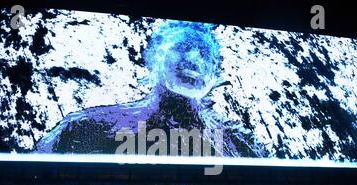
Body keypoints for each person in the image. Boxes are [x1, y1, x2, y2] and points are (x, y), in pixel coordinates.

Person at [35, 21, 267, 158]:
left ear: (217, 74)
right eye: (182, 48)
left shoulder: (238, 144)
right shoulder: (84, 128)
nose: (194, 59)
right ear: (153, 59)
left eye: (204, 53)